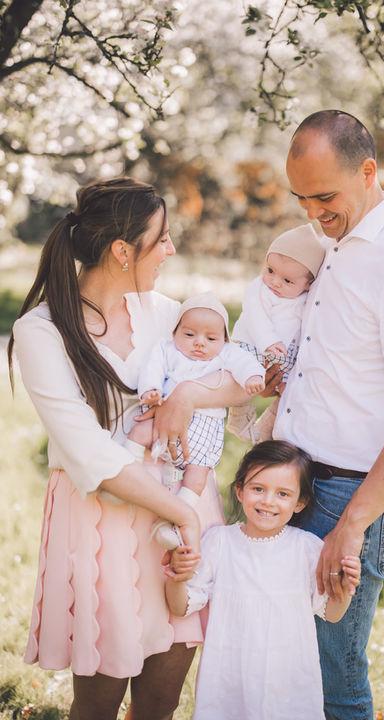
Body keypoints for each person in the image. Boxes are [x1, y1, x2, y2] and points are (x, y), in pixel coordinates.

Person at [8, 176, 250, 720]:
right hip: (105, 519)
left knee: (162, 698)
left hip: (182, 504)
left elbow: (240, 378)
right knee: (98, 701)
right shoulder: (41, 331)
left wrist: (189, 394)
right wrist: (181, 515)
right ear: (123, 251)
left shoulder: (165, 314)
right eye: (161, 239)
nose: (171, 249)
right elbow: (88, 452)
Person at [269, 110, 384, 720]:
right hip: (293, 482)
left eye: (325, 197)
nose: (312, 213)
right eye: (301, 198)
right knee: (286, 665)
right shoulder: (332, 244)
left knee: (336, 678)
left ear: (368, 171)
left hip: (349, 497)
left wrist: (352, 525)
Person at [164, 441, 361, 720]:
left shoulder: (307, 549)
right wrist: (178, 577)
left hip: (287, 684)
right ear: (240, 490)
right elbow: (181, 606)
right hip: (229, 681)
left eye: (283, 494)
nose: (268, 501)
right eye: (258, 489)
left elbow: (331, 613)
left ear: (300, 502)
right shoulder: (219, 542)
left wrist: (345, 587)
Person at [126, 291, 265, 549]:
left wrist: (252, 376)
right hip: (166, 415)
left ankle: (177, 518)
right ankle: (127, 474)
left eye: (210, 338)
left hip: (204, 427)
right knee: (139, 433)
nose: (199, 343)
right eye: (189, 335)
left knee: (197, 476)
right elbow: (152, 368)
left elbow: (245, 363)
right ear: (175, 332)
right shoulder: (167, 349)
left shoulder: (226, 354)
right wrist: (151, 390)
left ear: (224, 339)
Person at [226, 223, 325, 442]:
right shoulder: (260, 289)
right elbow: (255, 316)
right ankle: (238, 417)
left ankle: (269, 428)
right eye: (270, 270)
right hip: (254, 345)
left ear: (308, 284)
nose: (275, 282)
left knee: (290, 392)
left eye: (287, 280)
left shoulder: (305, 300)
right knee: (245, 376)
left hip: (285, 354)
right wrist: (268, 341)